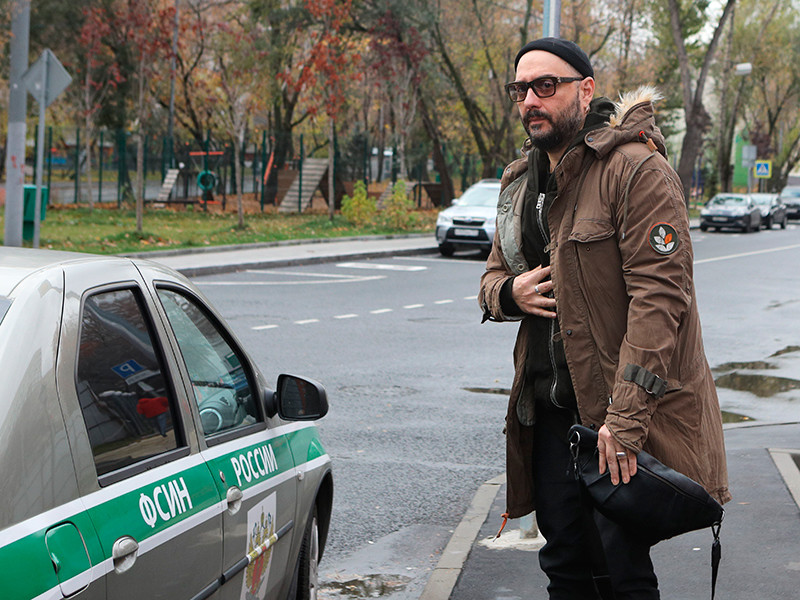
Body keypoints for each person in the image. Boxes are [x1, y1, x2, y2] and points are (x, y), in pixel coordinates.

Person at [478, 37, 731, 599]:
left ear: (585, 89)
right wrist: (510, 293)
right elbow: (492, 279)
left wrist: (625, 420)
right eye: (521, 89)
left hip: (611, 415)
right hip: (549, 417)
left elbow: (660, 301)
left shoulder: (635, 169)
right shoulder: (520, 183)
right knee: (565, 564)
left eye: (547, 86)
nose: (531, 100)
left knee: (621, 572)